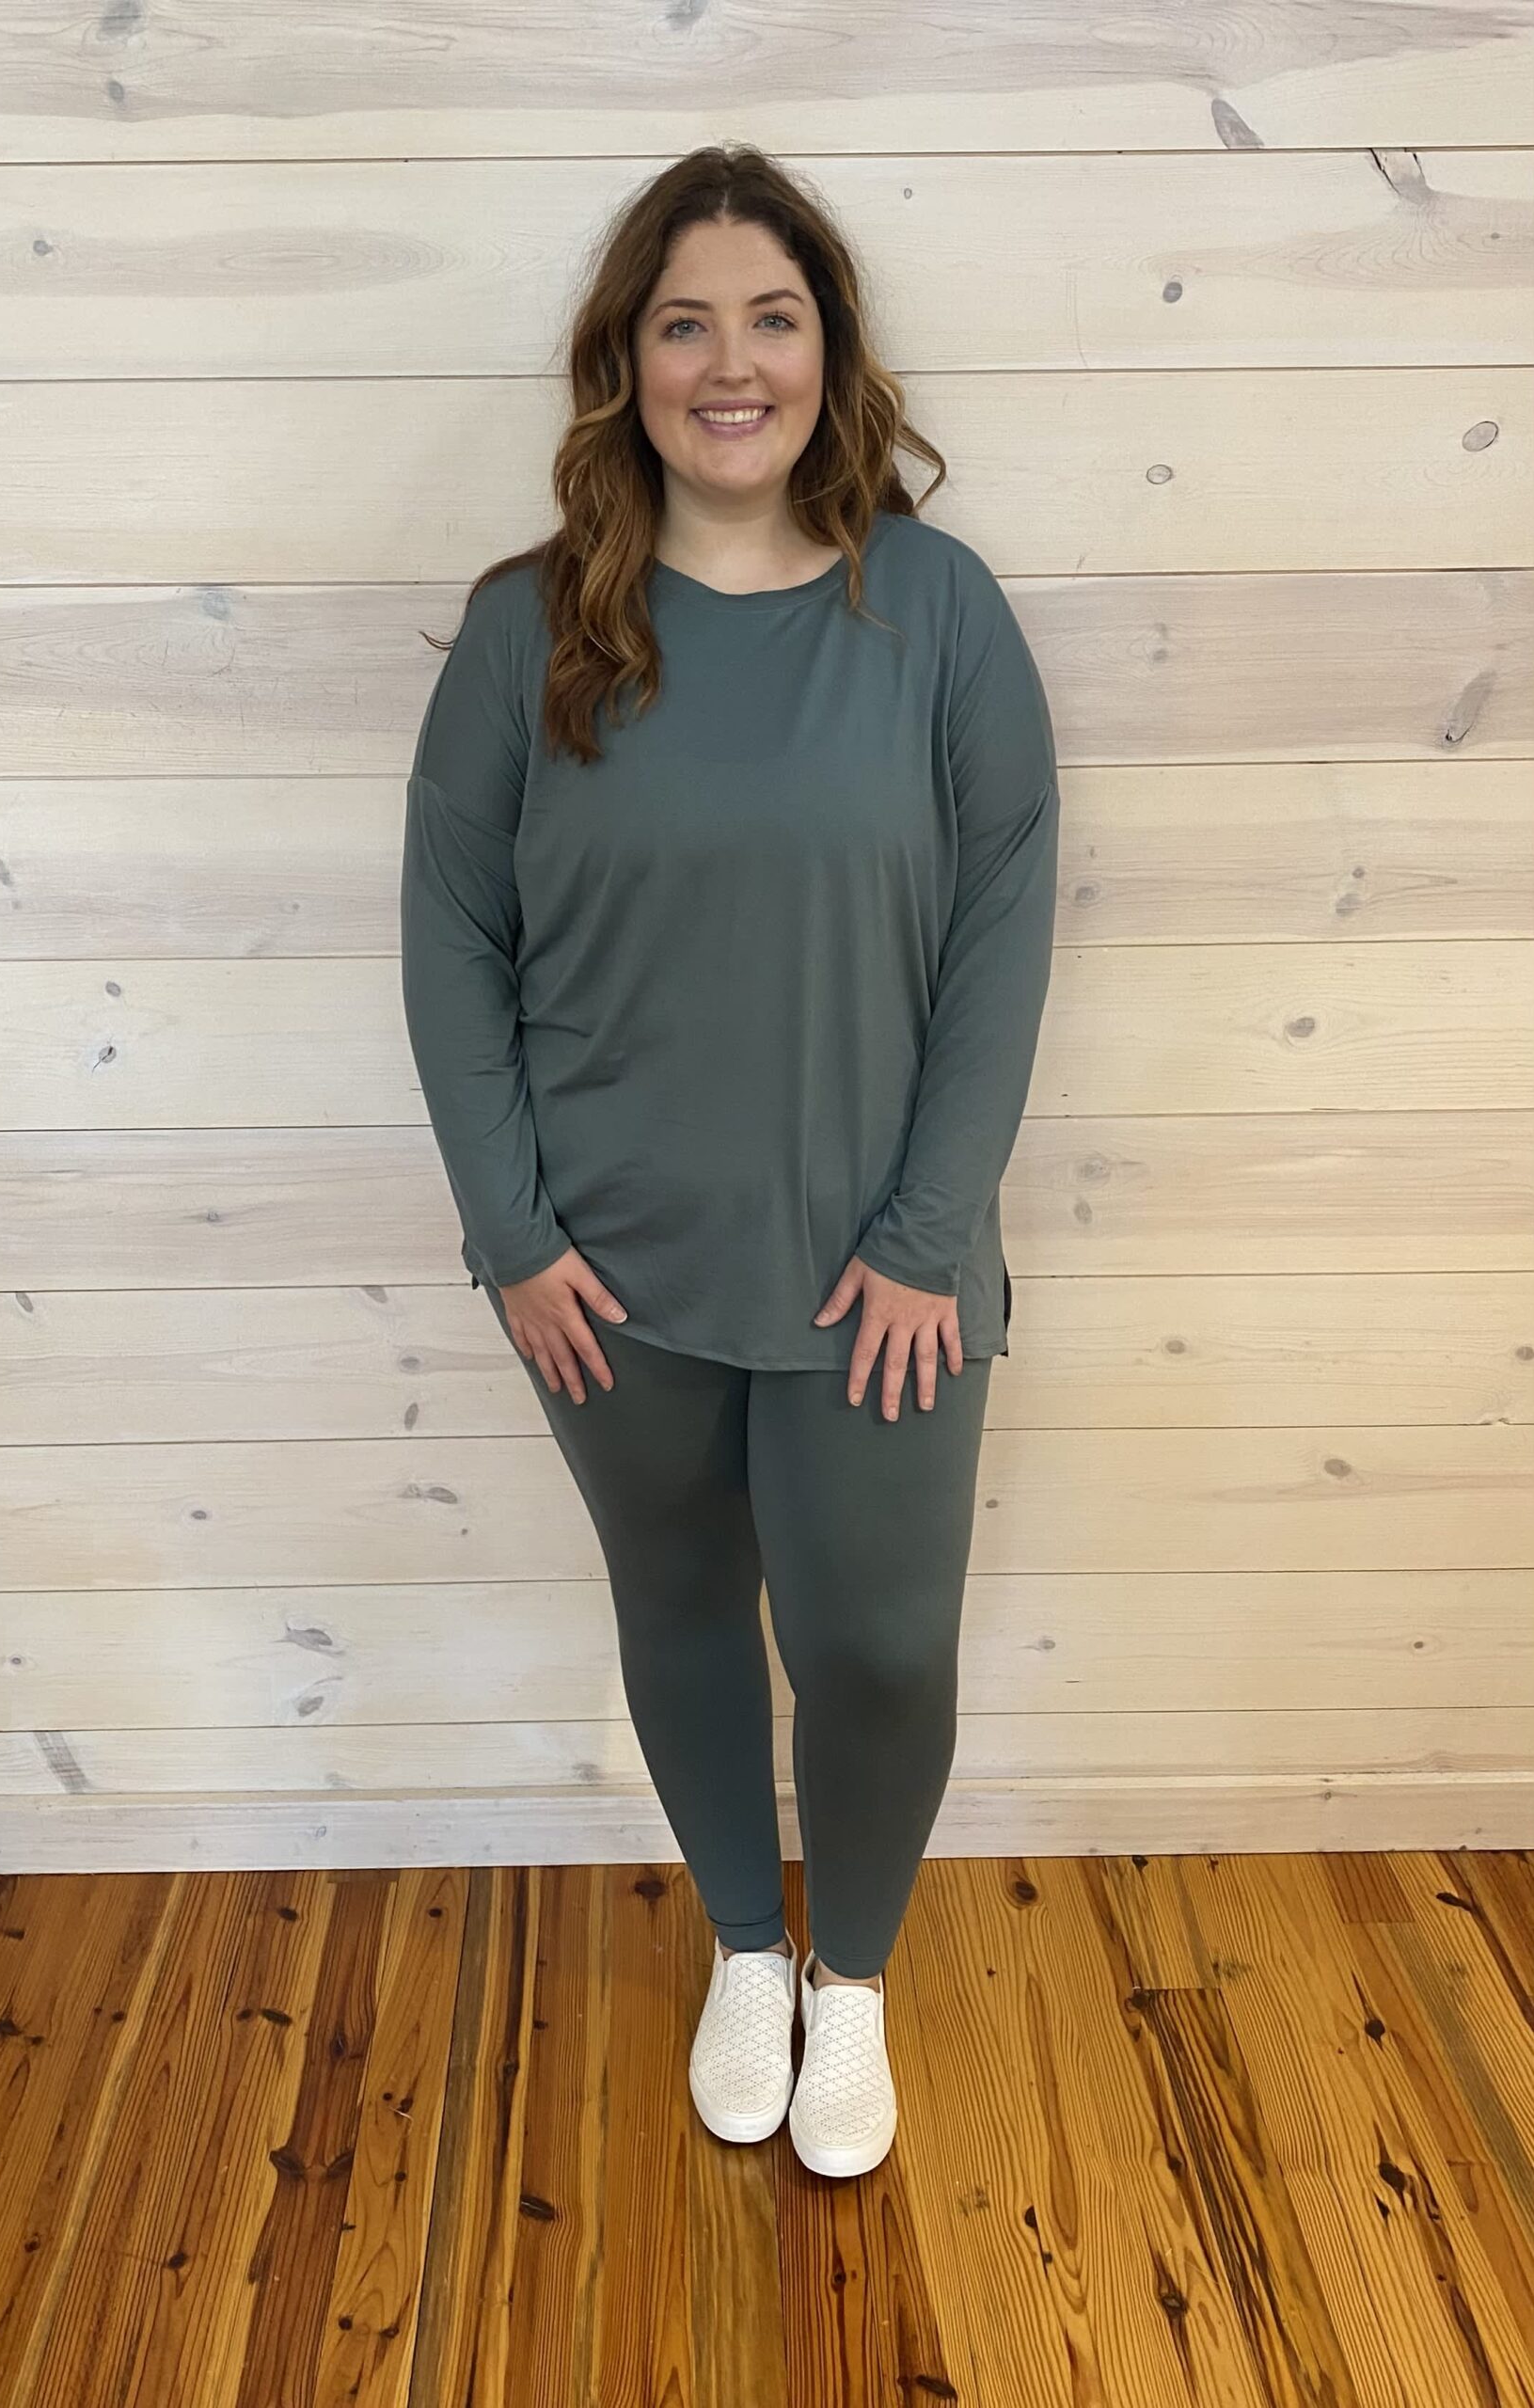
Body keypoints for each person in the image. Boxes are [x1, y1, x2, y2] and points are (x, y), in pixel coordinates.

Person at [399, 143, 1059, 2181]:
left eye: (772, 317)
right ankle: (749, 1950)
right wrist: (511, 1233)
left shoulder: (935, 610)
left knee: (878, 1643)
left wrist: (931, 1234)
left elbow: (1006, 923)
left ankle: (852, 1976)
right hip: (608, 1268)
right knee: (682, 1609)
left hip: (884, 1271)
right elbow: (451, 937)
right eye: (685, 323)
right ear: (629, 361)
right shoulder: (528, 632)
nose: (731, 362)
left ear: (829, 350)